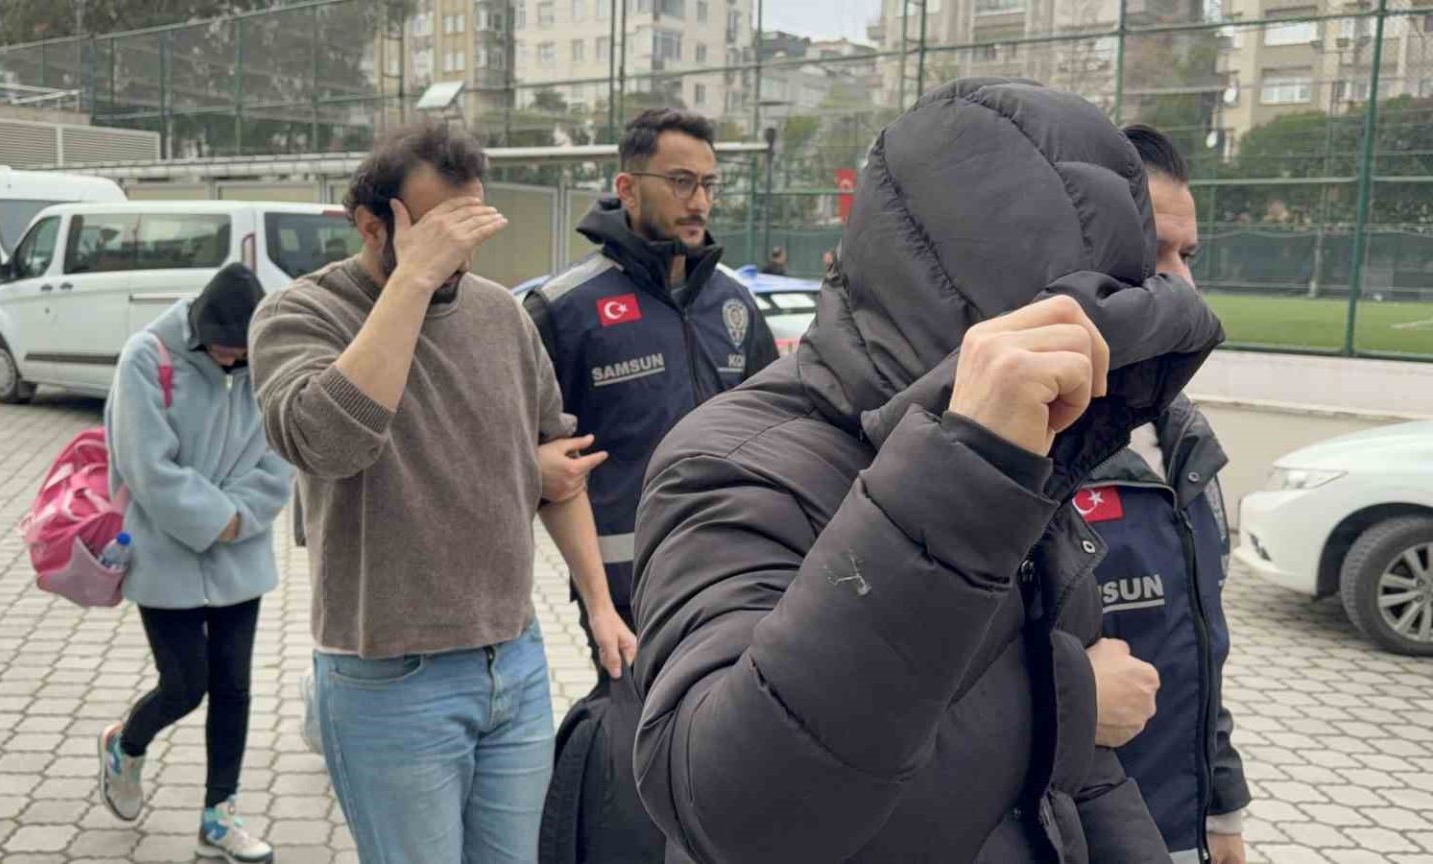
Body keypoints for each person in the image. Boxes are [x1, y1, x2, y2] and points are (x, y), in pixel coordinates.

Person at [629, 79, 1226, 863]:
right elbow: (736, 812)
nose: (1170, 291)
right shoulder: (735, 462)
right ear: (983, 279)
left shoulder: (1028, 452)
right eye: (1121, 279)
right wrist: (1071, 698)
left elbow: (1073, 785)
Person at [248, 119, 635, 864]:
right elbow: (329, 442)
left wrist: (599, 606)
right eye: (439, 231)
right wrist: (412, 281)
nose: (460, 252)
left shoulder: (501, 314)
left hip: (513, 658)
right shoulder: (301, 314)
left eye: (471, 226)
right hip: (391, 678)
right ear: (371, 224)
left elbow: (561, 471)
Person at [523, 108, 778, 666]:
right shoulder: (562, 311)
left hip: (735, 575)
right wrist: (597, 602)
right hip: (626, 598)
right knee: (635, 721)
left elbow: (777, 433)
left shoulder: (734, 303)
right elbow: (521, 456)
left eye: (709, 184)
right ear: (628, 189)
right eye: (681, 182)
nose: (699, 201)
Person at [1074, 123, 1249, 864]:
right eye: (1155, 258)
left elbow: (1202, 646)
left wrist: (1223, 810)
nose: (1183, 285)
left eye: (1190, 257)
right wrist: (1068, 699)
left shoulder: (1188, 443)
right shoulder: (1010, 450)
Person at [96, 262, 293, 864]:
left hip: (242, 555)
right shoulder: (146, 357)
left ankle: (219, 816)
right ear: (199, 331)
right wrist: (215, 519)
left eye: (242, 352)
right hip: (164, 554)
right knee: (185, 685)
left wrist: (240, 518)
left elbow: (279, 459)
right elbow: (145, 465)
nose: (231, 360)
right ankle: (126, 745)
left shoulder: (268, 362)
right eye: (221, 349)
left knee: (234, 686)